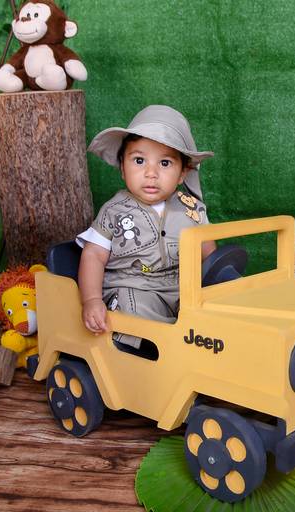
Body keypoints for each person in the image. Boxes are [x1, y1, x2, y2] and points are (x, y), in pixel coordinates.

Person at [76, 105, 216, 348]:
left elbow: (209, 254)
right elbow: (94, 256)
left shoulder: (192, 209)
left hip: (179, 289)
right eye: (139, 160)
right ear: (123, 167)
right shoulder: (113, 211)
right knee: (134, 311)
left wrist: (215, 284)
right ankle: (141, 351)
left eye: (165, 163)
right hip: (132, 286)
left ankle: (186, 351)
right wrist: (91, 300)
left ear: (182, 173)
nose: (151, 173)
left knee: (208, 314)